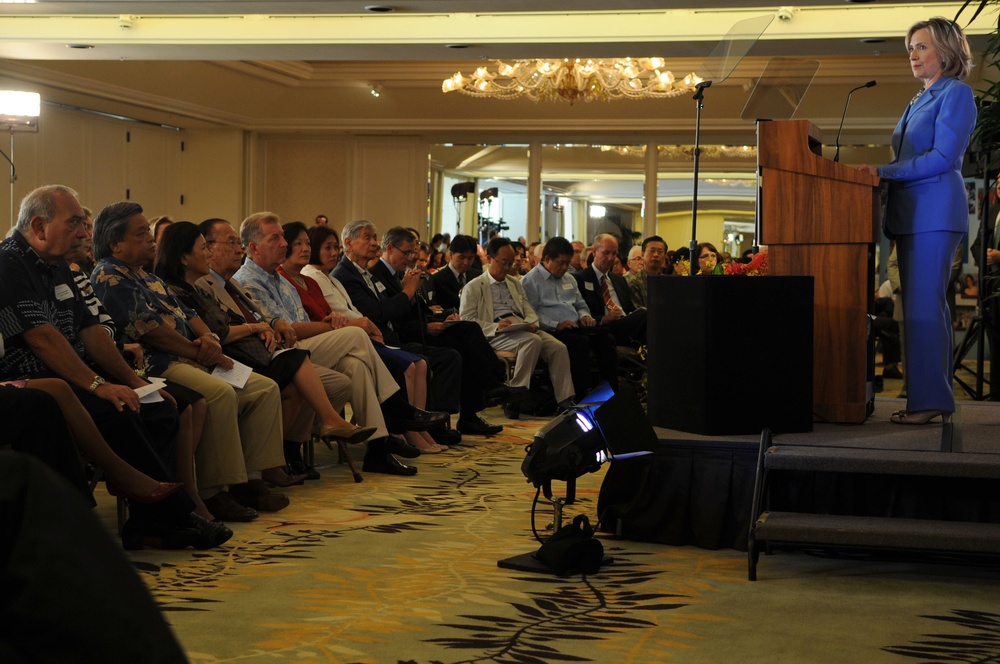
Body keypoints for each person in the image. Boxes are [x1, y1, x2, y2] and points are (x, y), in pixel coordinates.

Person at [0, 185, 230, 550]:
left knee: (159, 407)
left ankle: (150, 524)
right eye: (74, 222)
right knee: (119, 409)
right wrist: (97, 386)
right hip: (33, 379)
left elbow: (90, 331)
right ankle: (175, 514)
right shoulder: (9, 263)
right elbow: (42, 338)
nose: (83, 232)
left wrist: (133, 380)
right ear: (40, 226)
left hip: (72, 374)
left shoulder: (58, 266)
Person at [90, 201, 297, 521]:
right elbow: (150, 331)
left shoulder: (148, 276)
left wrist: (210, 341)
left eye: (149, 231)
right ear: (115, 243)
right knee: (219, 394)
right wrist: (198, 350)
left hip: (194, 356)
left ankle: (250, 479)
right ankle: (215, 491)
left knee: (263, 388)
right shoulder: (109, 274)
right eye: (142, 233)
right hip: (159, 364)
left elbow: (188, 315)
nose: (151, 239)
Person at [233, 212, 440, 475]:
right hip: (281, 355)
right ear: (253, 247)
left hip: (305, 351)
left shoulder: (281, 280)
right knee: (355, 335)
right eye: (277, 238)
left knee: (354, 368)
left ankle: (377, 448)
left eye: (285, 238)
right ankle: (396, 409)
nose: (285, 244)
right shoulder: (247, 280)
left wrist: (328, 321)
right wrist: (331, 324)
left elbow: (303, 321)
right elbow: (289, 331)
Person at [154, 222, 376, 459]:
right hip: (237, 356)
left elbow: (251, 319)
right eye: (230, 243)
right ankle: (276, 458)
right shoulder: (198, 286)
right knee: (341, 342)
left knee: (344, 375)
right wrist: (258, 327)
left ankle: (290, 450)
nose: (238, 249)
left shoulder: (232, 284)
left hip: (266, 347)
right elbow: (220, 331)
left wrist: (270, 324)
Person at [859, 17, 976, 425]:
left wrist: (883, 171)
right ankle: (935, 398)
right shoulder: (919, 98)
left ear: (945, 51)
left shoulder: (955, 94)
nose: (912, 53)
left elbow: (944, 158)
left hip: (934, 211)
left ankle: (927, 401)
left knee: (924, 309)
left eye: (920, 46)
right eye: (909, 47)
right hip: (912, 213)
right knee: (928, 309)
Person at [333, 221, 523, 436]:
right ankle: (442, 422)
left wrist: (439, 316)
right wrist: (410, 295)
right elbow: (385, 314)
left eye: (413, 253)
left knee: (467, 332)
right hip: (402, 335)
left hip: (416, 328)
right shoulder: (373, 273)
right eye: (406, 253)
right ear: (390, 249)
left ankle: (485, 396)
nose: (411, 258)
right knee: (452, 355)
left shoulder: (388, 273)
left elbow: (416, 307)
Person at [278, 221, 446, 454]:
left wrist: (341, 322)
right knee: (362, 336)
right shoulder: (304, 276)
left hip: (328, 341)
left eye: (307, 243)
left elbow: (332, 314)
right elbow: (300, 324)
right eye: (299, 244)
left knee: (357, 366)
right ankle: (400, 412)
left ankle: (380, 445)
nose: (333, 252)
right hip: (299, 348)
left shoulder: (313, 280)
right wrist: (354, 324)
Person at [460, 237, 575, 419]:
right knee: (532, 341)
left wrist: (531, 323)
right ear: (490, 259)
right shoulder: (473, 287)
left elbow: (528, 309)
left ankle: (564, 400)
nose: (508, 267)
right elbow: (466, 321)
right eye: (504, 263)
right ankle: (515, 397)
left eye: (511, 263)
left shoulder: (514, 283)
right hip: (496, 331)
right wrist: (496, 326)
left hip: (521, 326)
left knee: (558, 347)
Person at [521, 236, 618, 400]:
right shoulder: (530, 281)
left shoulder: (570, 279)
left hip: (576, 326)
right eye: (561, 263)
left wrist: (585, 316)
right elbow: (530, 314)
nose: (565, 267)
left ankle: (611, 394)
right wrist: (556, 324)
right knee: (579, 343)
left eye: (567, 263)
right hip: (550, 330)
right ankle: (580, 396)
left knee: (607, 339)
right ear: (547, 259)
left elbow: (580, 304)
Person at [574, 234, 647, 348]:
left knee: (652, 331)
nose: (611, 258)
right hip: (603, 328)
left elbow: (630, 307)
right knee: (646, 314)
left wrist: (632, 314)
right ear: (594, 252)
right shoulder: (580, 279)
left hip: (625, 324)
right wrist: (603, 319)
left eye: (614, 254)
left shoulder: (619, 280)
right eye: (606, 253)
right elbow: (579, 312)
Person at [430, 234, 481, 311]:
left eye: (470, 258)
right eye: (462, 257)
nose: (466, 263)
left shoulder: (478, 277)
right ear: (451, 254)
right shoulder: (436, 279)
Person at [626, 235, 669, 308]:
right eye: (652, 251)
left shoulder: (668, 282)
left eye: (660, 252)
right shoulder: (633, 283)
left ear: (664, 257)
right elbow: (638, 312)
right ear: (643, 254)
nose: (656, 255)